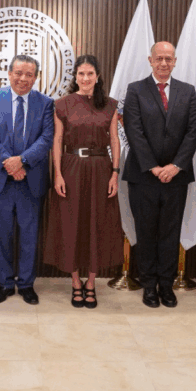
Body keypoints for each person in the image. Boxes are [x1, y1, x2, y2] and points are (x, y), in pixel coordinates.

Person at [122, 41, 196, 309]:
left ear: (175, 61)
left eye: (169, 58)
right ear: (150, 60)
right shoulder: (135, 90)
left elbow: (193, 132)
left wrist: (176, 166)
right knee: (145, 232)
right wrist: (154, 167)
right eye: (159, 58)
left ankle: (166, 285)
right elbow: (133, 130)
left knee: (170, 232)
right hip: (144, 176)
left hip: (176, 177)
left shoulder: (188, 91)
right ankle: (148, 286)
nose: (164, 63)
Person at [45, 55, 121, 309]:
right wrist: (57, 174)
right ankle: (75, 282)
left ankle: (91, 282)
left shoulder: (110, 105)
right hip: (71, 168)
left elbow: (114, 140)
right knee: (72, 224)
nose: (85, 78)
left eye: (90, 74)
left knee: (97, 223)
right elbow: (57, 141)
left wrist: (115, 173)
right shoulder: (62, 104)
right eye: (81, 74)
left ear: (97, 77)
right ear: (75, 77)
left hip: (101, 169)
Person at [0, 54, 55, 305]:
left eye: (29, 74)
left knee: (29, 236)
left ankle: (26, 284)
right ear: (9, 74)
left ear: (36, 77)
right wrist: (9, 164)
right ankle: (4, 283)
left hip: (31, 181)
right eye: (18, 73)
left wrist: (22, 161)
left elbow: (46, 138)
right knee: (1, 234)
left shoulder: (45, 103)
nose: (23, 78)